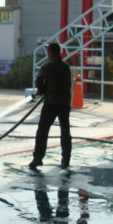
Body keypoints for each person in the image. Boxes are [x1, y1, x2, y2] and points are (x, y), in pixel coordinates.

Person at [29, 42, 72, 170]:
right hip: (65, 103)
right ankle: (66, 159)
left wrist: (42, 90)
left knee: (42, 131)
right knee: (65, 132)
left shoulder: (47, 66)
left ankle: (38, 158)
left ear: (50, 52)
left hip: (51, 103)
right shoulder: (66, 67)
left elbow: (38, 81)